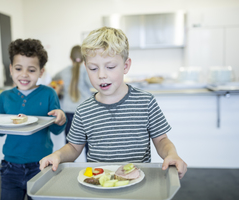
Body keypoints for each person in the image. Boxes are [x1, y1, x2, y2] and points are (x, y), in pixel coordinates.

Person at [39, 27, 187, 179]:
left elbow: (161, 139)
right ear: (86, 68)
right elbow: (73, 147)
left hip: (137, 183)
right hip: (100, 185)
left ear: (126, 66)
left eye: (110, 67)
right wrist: (57, 155)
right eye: (93, 68)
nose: (101, 75)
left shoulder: (146, 102)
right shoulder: (83, 110)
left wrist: (172, 154)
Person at [0, 39, 67, 200]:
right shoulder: (5, 97)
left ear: (41, 72)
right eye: (18, 68)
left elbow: (56, 131)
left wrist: (60, 119)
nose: (24, 74)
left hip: (41, 165)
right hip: (10, 167)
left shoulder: (49, 94)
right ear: (11, 69)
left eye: (32, 70)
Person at [51, 45, 93, 158]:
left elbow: (54, 79)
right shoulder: (88, 71)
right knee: (90, 147)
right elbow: (92, 85)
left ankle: (68, 172)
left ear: (70, 58)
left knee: (70, 146)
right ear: (84, 58)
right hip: (86, 111)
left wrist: (60, 87)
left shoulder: (63, 72)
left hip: (68, 112)